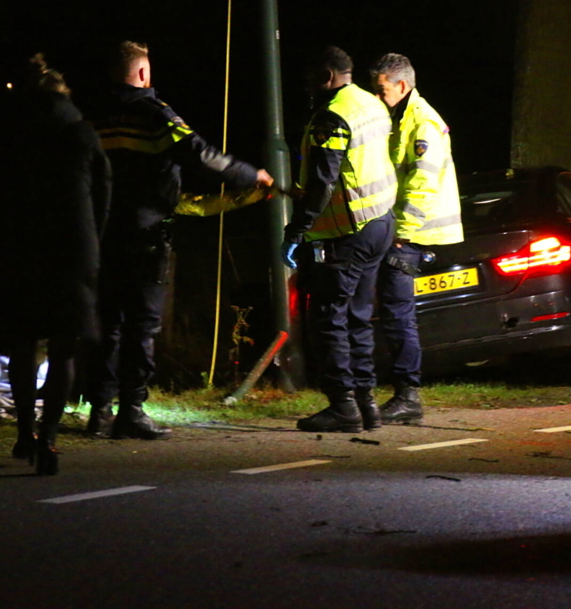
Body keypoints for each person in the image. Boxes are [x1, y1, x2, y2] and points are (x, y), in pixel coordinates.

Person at [84, 41, 273, 440]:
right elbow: (199, 153)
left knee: (108, 325)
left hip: (101, 237)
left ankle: (99, 409)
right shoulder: (155, 114)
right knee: (142, 326)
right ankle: (131, 411)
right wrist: (247, 175)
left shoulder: (94, 118)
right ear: (142, 74)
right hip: (147, 235)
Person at [0, 54, 111, 475]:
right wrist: (93, 239)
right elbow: (103, 190)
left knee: (23, 345)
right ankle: (51, 437)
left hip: (21, 246)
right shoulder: (81, 132)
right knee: (64, 347)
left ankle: (25, 432)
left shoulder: (11, 132)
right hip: (73, 248)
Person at [281, 46, 396, 433]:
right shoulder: (371, 104)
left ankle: (344, 407)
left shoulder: (331, 116)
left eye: (311, 78)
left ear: (327, 76)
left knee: (329, 318)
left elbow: (323, 180)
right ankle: (367, 404)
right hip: (380, 222)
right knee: (359, 316)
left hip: (345, 232)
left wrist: (296, 230)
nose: (307, 87)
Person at [369, 53, 463, 426]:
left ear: (401, 85)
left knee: (398, 314)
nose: (378, 97)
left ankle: (408, 396)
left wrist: (402, 236)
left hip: (411, 234)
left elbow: (422, 185)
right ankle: (404, 394)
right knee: (395, 315)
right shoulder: (404, 119)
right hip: (404, 232)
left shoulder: (423, 123)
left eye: (381, 89)